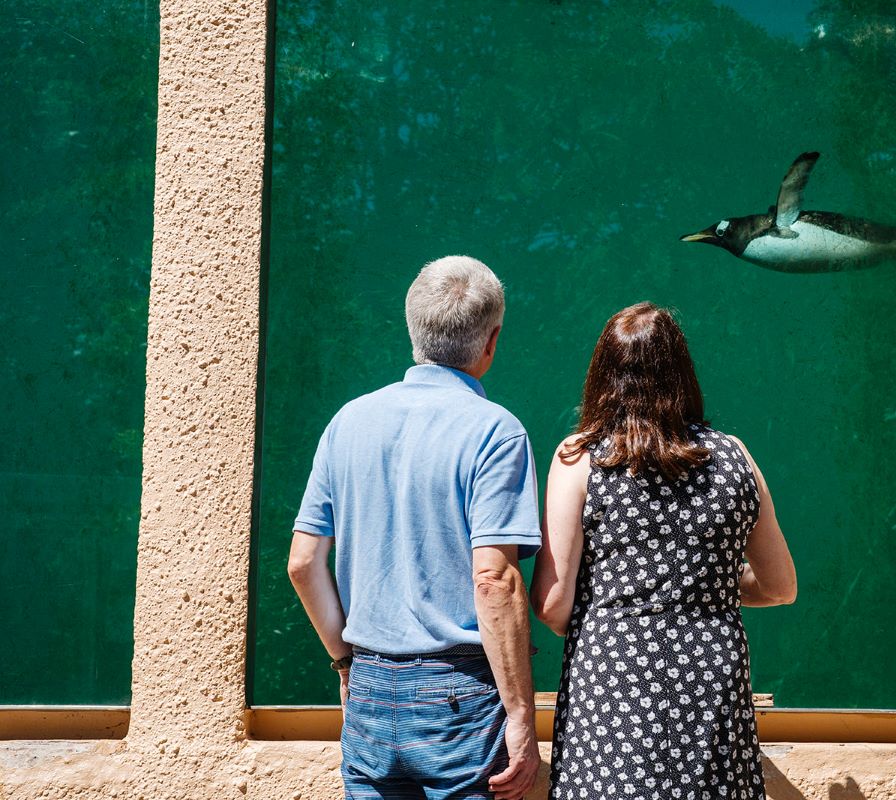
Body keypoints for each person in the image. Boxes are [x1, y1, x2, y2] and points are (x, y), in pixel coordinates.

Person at [287, 255, 542, 800]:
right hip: (461, 697)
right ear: (492, 340)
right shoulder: (496, 432)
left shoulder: (347, 423)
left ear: (413, 331)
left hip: (369, 686)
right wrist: (522, 715)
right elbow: (494, 581)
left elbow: (303, 564)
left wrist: (345, 663)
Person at [532, 302, 797, 800]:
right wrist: (710, 583)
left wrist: (611, 608)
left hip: (613, 688)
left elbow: (552, 603)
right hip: (713, 687)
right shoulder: (735, 455)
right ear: (682, 374)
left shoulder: (580, 458)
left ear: (603, 376)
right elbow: (780, 587)